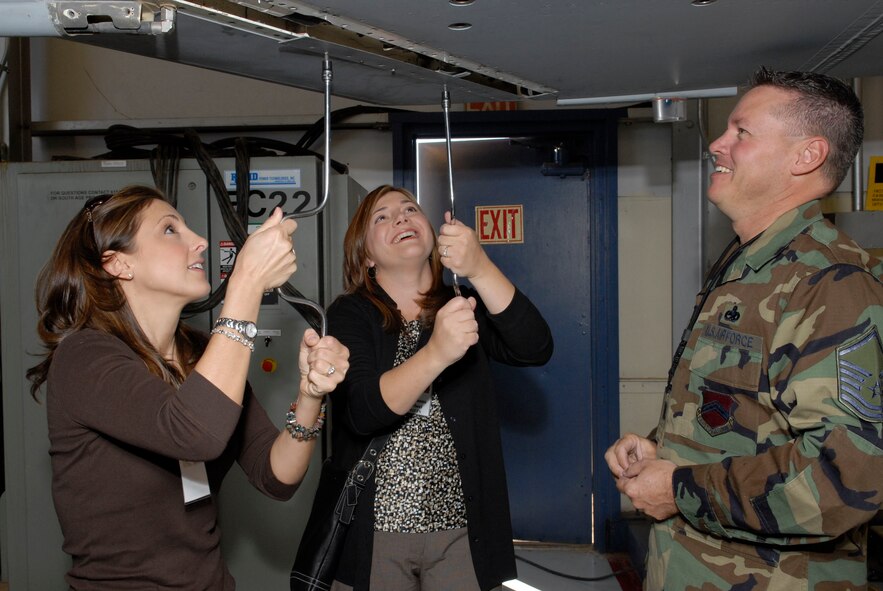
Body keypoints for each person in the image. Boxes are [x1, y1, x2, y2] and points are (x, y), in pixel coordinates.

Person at [606, 68, 883, 590]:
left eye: (742, 132)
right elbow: (744, 416)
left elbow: (847, 475)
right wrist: (660, 452)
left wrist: (680, 488)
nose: (717, 144)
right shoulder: (749, 262)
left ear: (807, 155)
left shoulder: (829, 284)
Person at [27, 185, 350, 590]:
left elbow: (276, 476)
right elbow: (192, 434)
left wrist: (310, 395)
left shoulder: (201, 353)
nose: (199, 241)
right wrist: (246, 283)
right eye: (169, 230)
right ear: (118, 264)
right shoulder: (85, 357)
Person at [314, 185, 553, 591]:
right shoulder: (351, 313)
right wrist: (437, 352)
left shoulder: (463, 303)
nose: (401, 218)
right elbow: (363, 411)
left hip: (461, 531)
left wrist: (480, 268)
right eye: (382, 217)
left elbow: (536, 347)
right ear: (366, 255)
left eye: (410, 209)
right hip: (376, 534)